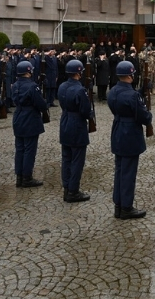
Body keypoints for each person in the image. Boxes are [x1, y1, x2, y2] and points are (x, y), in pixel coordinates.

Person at [107, 60, 153, 219]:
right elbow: (143, 116)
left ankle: (118, 205)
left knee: (120, 169)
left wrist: (141, 91)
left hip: (118, 129)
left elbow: (126, 101)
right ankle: (126, 207)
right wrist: (149, 115)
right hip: (130, 133)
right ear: (130, 75)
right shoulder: (132, 96)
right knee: (128, 172)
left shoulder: (112, 91)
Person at [58, 59, 92, 203]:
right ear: (79, 73)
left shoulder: (62, 86)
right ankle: (73, 190)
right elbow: (85, 111)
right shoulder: (80, 90)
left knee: (66, 158)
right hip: (77, 124)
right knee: (77, 160)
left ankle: (67, 188)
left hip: (65, 121)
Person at [12, 60, 48, 188]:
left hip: (18, 116)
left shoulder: (15, 85)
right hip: (30, 117)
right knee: (29, 150)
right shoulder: (32, 86)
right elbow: (40, 104)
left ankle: (19, 176)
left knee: (20, 148)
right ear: (28, 72)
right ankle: (27, 177)